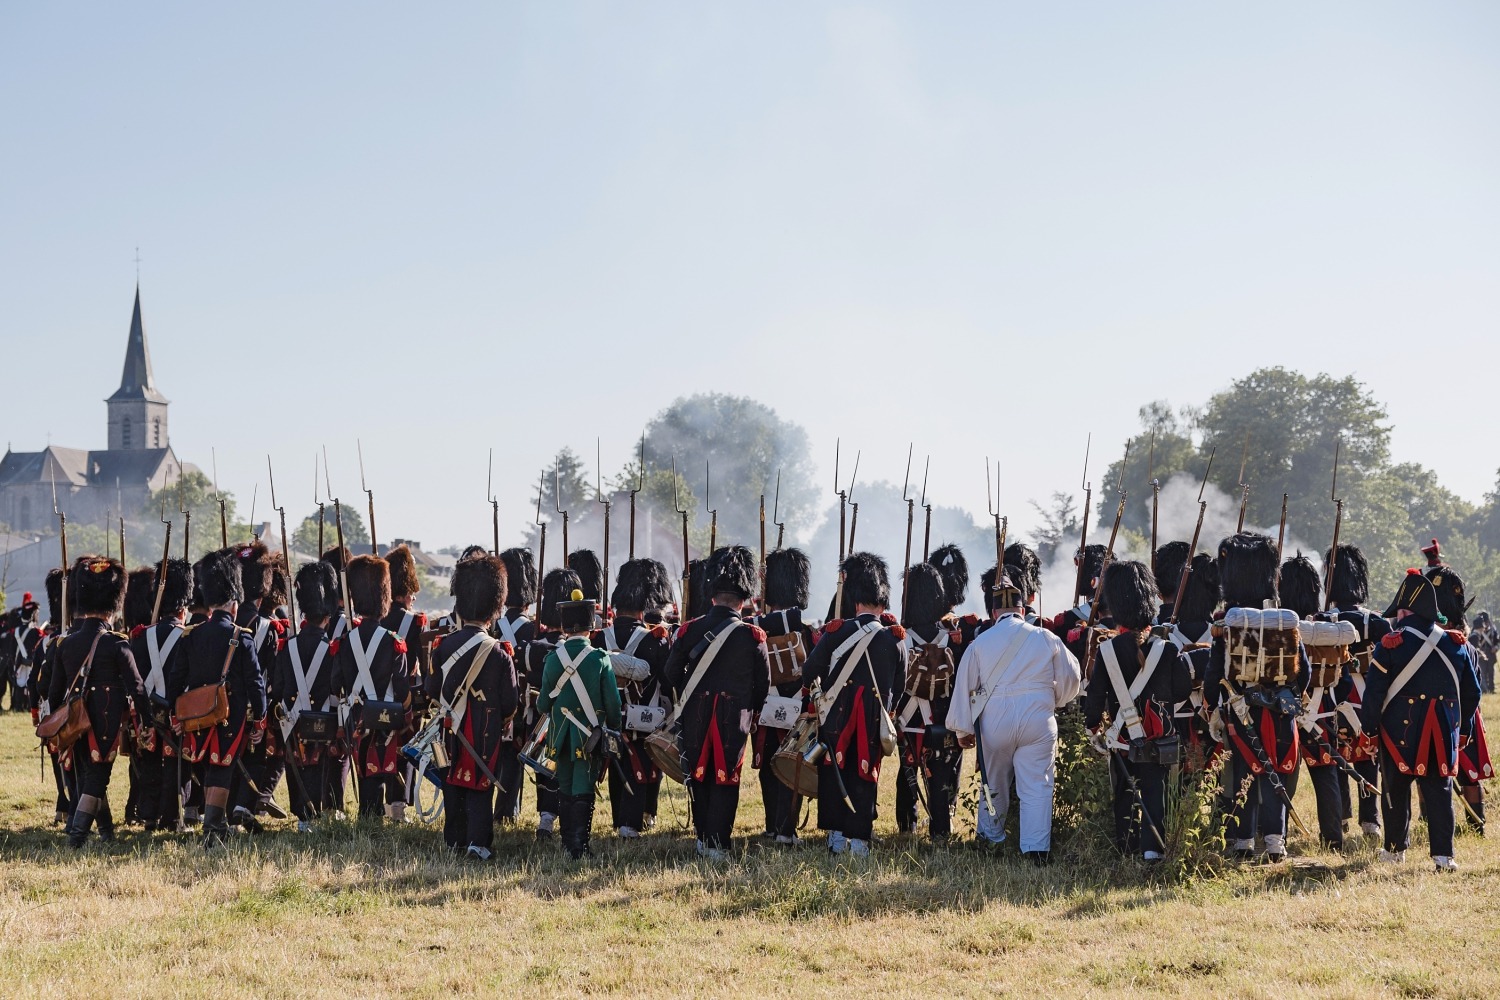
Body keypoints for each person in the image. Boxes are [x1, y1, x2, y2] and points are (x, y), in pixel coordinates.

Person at [947, 570, 1080, 861]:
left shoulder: (979, 643)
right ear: (1022, 610)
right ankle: (1035, 849)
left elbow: (964, 685)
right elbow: (1072, 677)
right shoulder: (1045, 637)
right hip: (1038, 720)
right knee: (1037, 785)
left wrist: (962, 730)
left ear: (994, 613)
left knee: (993, 784)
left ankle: (990, 841)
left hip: (995, 723)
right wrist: (1053, 700)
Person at [1362, 570, 1481, 871]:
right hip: (1442, 730)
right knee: (1440, 791)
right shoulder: (1456, 644)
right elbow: (1472, 693)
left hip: (1397, 730)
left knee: (1395, 790)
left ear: (1404, 611)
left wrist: (1369, 730)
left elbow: (1374, 693)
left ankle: (1394, 850)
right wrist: (1463, 727)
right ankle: (1443, 856)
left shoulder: (1391, 643)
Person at [1205, 533, 1310, 863]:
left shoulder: (1229, 624)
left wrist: (1214, 702)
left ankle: (1244, 842)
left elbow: (1214, 674)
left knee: (1244, 774)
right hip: (1280, 711)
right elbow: (1303, 671)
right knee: (1275, 771)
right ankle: (1276, 842)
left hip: (1241, 710)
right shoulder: (1283, 620)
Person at [664, 546, 769, 859]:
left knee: (698, 774)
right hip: (735, 716)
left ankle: (702, 838)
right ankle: (719, 842)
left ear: (711, 596)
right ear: (744, 599)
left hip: (693, 713)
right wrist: (748, 708)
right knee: (726, 776)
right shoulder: (753, 636)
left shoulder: (689, 630)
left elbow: (670, 674)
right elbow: (762, 686)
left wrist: (692, 693)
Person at [1085, 561, 1192, 861]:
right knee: (1155, 793)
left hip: (1122, 738)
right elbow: (1183, 689)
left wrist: (1092, 725)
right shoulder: (1167, 649)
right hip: (1158, 737)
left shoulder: (1106, 650)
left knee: (1124, 793)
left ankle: (1127, 847)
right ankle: (1151, 850)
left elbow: (1094, 697)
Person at [801, 551, 902, 857]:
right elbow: (898, 688)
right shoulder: (895, 639)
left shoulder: (835, 632)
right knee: (865, 772)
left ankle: (835, 837)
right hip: (872, 717)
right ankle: (859, 840)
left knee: (835, 772)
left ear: (856, 601)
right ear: (882, 604)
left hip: (836, 715)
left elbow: (809, 673)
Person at [168, 548, 268, 847]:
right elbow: (255, 682)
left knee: (210, 766)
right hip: (231, 712)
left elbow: (176, 680)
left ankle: (215, 821)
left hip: (197, 711)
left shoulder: (191, 634)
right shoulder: (241, 636)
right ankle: (212, 826)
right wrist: (260, 718)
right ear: (234, 604)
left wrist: (176, 714)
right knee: (222, 766)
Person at [51, 556, 147, 847]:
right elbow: (137, 687)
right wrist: (147, 719)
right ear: (113, 604)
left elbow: (55, 692)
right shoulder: (116, 642)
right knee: (98, 777)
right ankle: (77, 836)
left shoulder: (64, 643)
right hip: (105, 716)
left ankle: (106, 831)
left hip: (74, 718)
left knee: (90, 773)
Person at [428, 554, 519, 860]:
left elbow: (431, 689)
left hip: (449, 726)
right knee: (481, 784)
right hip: (485, 729)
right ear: (495, 606)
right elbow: (510, 702)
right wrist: (503, 718)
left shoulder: (443, 646)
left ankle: (454, 838)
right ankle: (478, 843)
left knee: (452, 781)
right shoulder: (499, 653)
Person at [538, 589, 622, 859]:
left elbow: (542, 705)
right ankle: (579, 846)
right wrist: (614, 729)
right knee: (584, 787)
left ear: (565, 626)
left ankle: (567, 843)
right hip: (590, 737)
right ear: (590, 628)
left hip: (560, 736)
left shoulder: (553, 659)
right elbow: (613, 705)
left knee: (564, 787)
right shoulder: (599, 659)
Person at [597, 557, 674, 838]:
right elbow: (666, 682)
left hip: (607, 715)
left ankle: (620, 819)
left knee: (615, 763)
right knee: (639, 766)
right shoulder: (655, 639)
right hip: (643, 718)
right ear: (644, 606)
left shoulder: (598, 638)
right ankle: (631, 823)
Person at [337, 554, 412, 821]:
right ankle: (372, 815)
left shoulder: (346, 640)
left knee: (363, 767)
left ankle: (368, 814)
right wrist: (406, 710)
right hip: (385, 712)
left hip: (357, 713)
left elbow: (337, 683)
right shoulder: (394, 641)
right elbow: (402, 686)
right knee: (380, 766)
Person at [1280, 553, 1347, 852]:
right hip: (1323, 712)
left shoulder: (1279, 627)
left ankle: (1275, 837)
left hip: (1287, 712)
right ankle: (1333, 839)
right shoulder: (1329, 627)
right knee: (1325, 775)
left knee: (1281, 775)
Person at [895, 562, 965, 842]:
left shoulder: (902, 638)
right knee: (940, 771)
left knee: (907, 769)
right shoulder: (951, 638)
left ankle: (906, 825)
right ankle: (940, 830)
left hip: (909, 718)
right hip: (939, 716)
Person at [752, 547, 817, 846]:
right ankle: (785, 830)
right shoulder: (808, 630)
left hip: (765, 707)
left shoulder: (756, 627)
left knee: (768, 764)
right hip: (798, 709)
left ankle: (771, 824)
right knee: (793, 765)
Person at [273, 561, 342, 830]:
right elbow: (336, 686)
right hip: (323, 718)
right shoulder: (333, 648)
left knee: (298, 765)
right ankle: (317, 813)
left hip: (293, 719)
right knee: (321, 765)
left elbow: (278, 688)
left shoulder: (287, 646)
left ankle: (303, 816)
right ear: (328, 614)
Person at [127, 557, 194, 832]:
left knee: (150, 762)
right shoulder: (188, 635)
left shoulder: (141, 636)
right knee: (178, 765)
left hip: (148, 708)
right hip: (178, 709)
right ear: (183, 608)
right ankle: (172, 818)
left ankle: (149, 815)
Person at [230, 540, 289, 828]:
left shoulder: (229, 619)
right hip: (256, 700)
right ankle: (243, 805)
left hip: (226, 699)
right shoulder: (267, 627)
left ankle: (231, 808)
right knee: (255, 758)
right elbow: (271, 671)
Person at [1428, 566, 1491, 835]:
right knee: (1433, 773)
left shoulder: (1449, 644)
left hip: (1459, 712)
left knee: (1469, 774)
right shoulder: (1465, 645)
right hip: (1458, 712)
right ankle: (1435, 820)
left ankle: (1476, 823)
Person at [492, 546, 538, 825]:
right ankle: (508, 811)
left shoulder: (492, 625)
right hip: (524, 701)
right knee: (514, 756)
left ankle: (508, 808)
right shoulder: (533, 629)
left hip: (496, 699)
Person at [383, 544, 429, 818]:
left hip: (379, 690)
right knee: (406, 749)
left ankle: (385, 804)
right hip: (408, 692)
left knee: (382, 747)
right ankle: (399, 804)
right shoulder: (415, 622)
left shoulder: (379, 617)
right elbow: (423, 664)